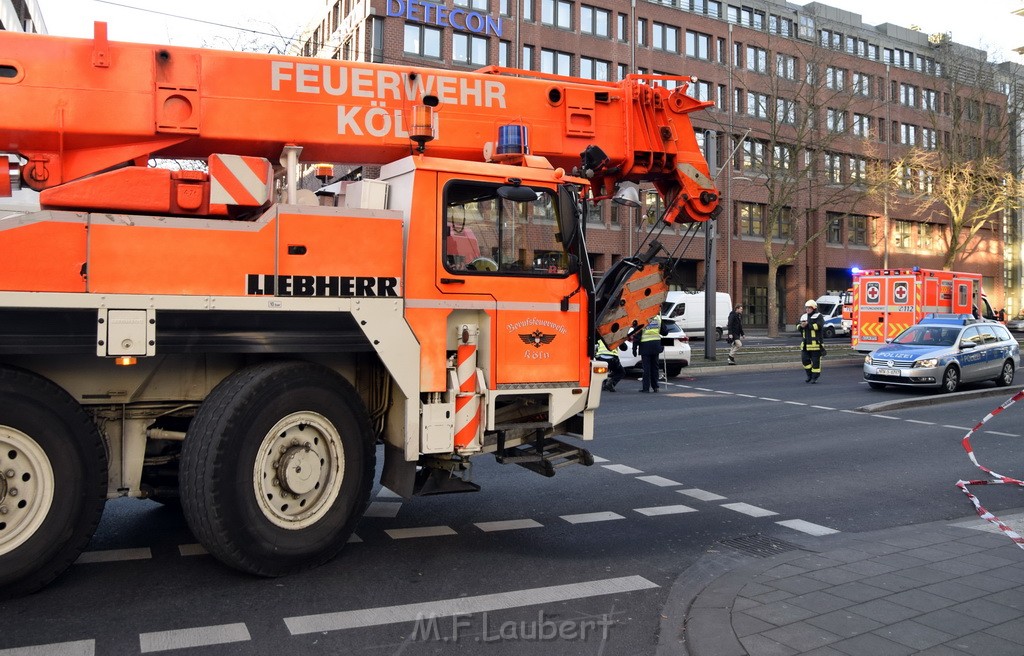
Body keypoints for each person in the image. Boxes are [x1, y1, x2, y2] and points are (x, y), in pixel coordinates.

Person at [633, 315, 668, 393]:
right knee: (655, 367)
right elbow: (665, 332)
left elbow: (637, 335)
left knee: (646, 369)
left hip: (645, 346)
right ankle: (656, 387)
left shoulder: (642, 317)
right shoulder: (658, 318)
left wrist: (634, 348)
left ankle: (646, 388)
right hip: (656, 345)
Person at [799, 299, 826, 383]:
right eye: (806, 308)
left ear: (814, 308)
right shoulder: (803, 316)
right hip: (805, 345)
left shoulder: (818, 316)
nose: (807, 309)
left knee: (816, 363)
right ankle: (809, 375)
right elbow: (798, 326)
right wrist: (801, 326)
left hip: (816, 345)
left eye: (809, 308)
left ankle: (815, 377)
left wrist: (807, 325)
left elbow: (818, 326)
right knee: (805, 360)